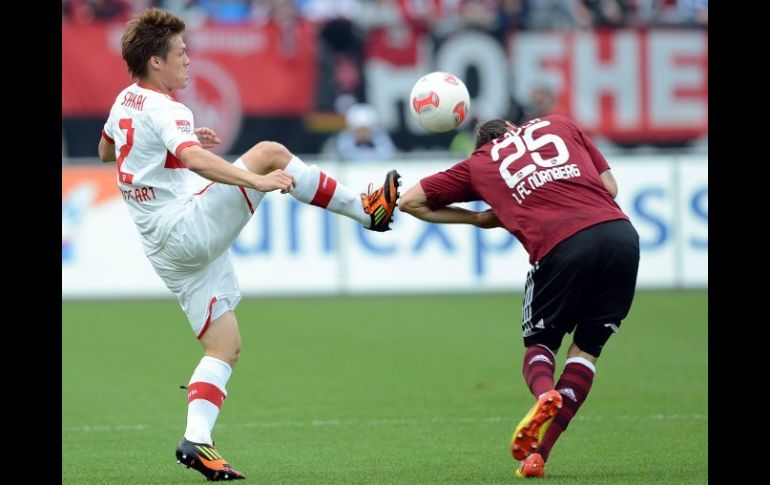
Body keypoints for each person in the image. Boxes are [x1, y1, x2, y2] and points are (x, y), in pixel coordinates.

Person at [97, 8, 400, 481]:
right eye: (180, 53)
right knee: (270, 154)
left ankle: (196, 440)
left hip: (163, 249)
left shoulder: (125, 102)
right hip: (185, 227)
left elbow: (106, 150)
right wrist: (255, 179)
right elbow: (197, 160)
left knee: (225, 345)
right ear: (155, 61)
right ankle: (369, 211)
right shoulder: (167, 107)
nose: (188, 61)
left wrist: (164, 145)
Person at [398, 114, 639, 478]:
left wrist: (478, 219)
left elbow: (409, 201)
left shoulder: (479, 164)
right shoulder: (560, 124)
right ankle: (538, 455)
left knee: (539, 344)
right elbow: (610, 187)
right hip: (621, 236)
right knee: (587, 350)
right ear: (513, 126)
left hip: (562, 246)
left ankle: (545, 394)